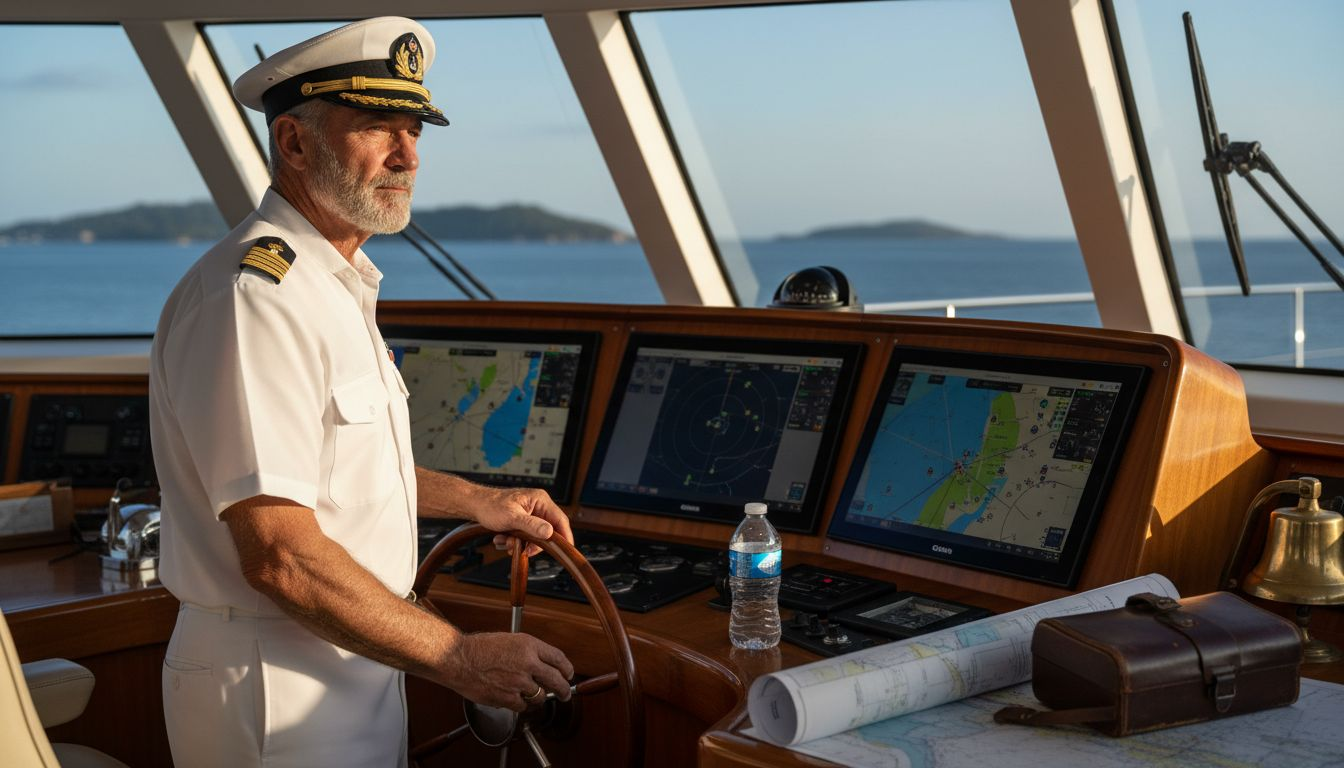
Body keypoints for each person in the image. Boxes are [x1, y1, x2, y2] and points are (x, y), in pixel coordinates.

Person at [147, 17, 574, 768]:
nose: (407, 155)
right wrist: (461, 657)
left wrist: (478, 502)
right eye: (378, 127)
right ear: (295, 142)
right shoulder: (257, 298)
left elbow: (336, 472)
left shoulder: (330, 286)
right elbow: (281, 554)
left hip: (350, 660)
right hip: (274, 685)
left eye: (414, 130)